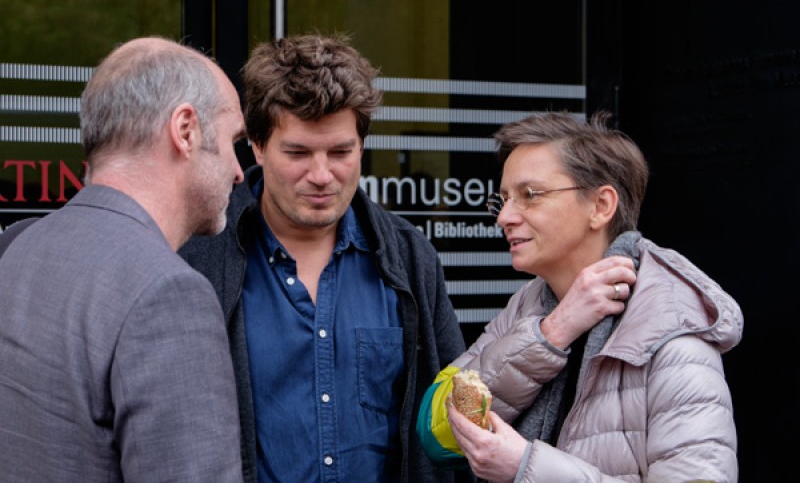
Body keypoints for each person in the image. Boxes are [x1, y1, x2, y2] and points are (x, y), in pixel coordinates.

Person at [179, 34, 468, 483]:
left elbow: (451, 424)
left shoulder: (410, 259)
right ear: (256, 145)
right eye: (297, 153)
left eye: (340, 152)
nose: (320, 175)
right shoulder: (198, 256)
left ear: (361, 147)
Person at [416, 111, 743, 482]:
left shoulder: (669, 323)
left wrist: (527, 468)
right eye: (504, 199)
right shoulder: (532, 304)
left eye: (529, 195)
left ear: (601, 206)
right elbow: (435, 433)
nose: (504, 216)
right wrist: (552, 332)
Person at [0, 37, 247, 482]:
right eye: (233, 141)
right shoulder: (169, 294)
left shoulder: (19, 247)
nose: (238, 170)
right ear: (185, 130)